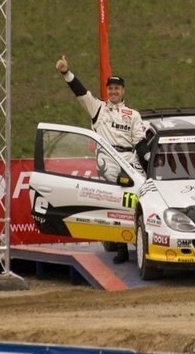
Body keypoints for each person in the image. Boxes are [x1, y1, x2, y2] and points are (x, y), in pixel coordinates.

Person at [56, 55, 146, 264]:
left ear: (123, 91)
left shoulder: (133, 114)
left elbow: (140, 142)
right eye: (110, 88)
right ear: (107, 90)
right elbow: (80, 92)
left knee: (136, 204)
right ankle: (121, 249)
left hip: (129, 161)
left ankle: (140, 242)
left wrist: (147, 163)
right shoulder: (97, 108)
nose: (113, 91)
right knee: (115, 207)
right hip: (108, 162)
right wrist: (66, 72)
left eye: (117, 88)